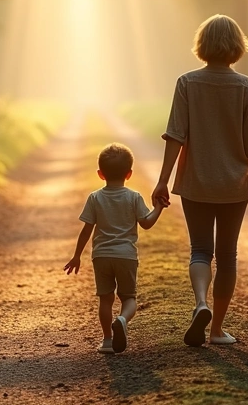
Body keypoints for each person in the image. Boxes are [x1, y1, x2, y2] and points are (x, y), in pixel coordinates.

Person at [152, 14, 248, 347]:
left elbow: (175, 135)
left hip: (196, 182)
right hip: (234, 185)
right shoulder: (247, 87)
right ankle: (216, 329)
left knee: (200, 250)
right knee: (227, 254)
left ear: (202, 45)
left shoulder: (187, 83)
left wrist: (163, 180)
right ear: (237, 46)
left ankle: (200, 302)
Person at [65, 143, 164, 354]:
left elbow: (86, 230)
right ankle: (122, 319)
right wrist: (158, 207)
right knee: (129, 298)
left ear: (100, 174)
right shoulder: (134, 197)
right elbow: (146, 223)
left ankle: (108, 340)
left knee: (106, 298)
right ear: (129, 174)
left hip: (101, 256)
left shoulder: (95, 198)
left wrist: (76, 256)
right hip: (126, 256)